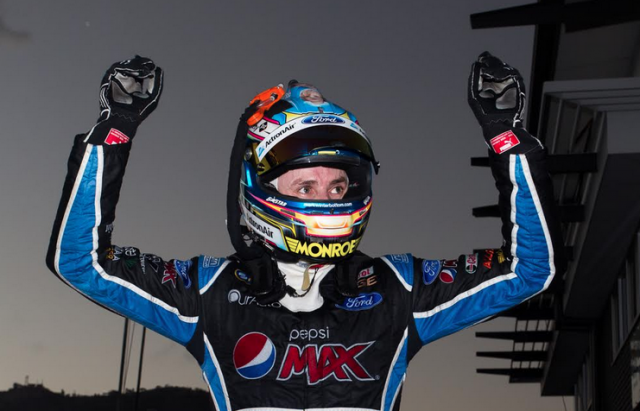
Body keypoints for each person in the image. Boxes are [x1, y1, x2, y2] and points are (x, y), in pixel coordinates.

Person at [46, 53, 564, 411]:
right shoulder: (210, 289)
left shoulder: (397, 287)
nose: (328, 197)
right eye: (308, 183)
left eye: (339, 186)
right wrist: (113, 133)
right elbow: (81, 264)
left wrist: (506, 139)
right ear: (258, 186)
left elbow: (529, 271)